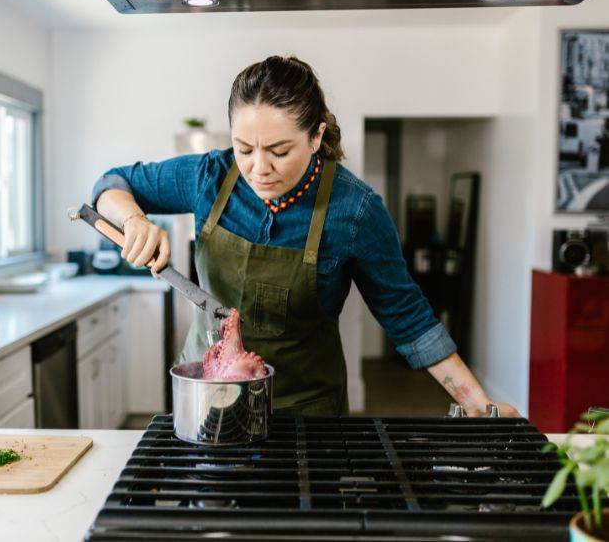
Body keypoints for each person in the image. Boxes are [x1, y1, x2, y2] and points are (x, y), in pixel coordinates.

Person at [92, 55, 520, 418]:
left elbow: (408, 317)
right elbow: (112, 184)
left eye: (279, 151)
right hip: (210, 397)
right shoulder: (209, 176)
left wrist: (481, 406)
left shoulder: (354, 210)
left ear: (316, 136)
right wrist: (133, 221)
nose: (259, 168)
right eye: (244, 148)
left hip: (305, 410)